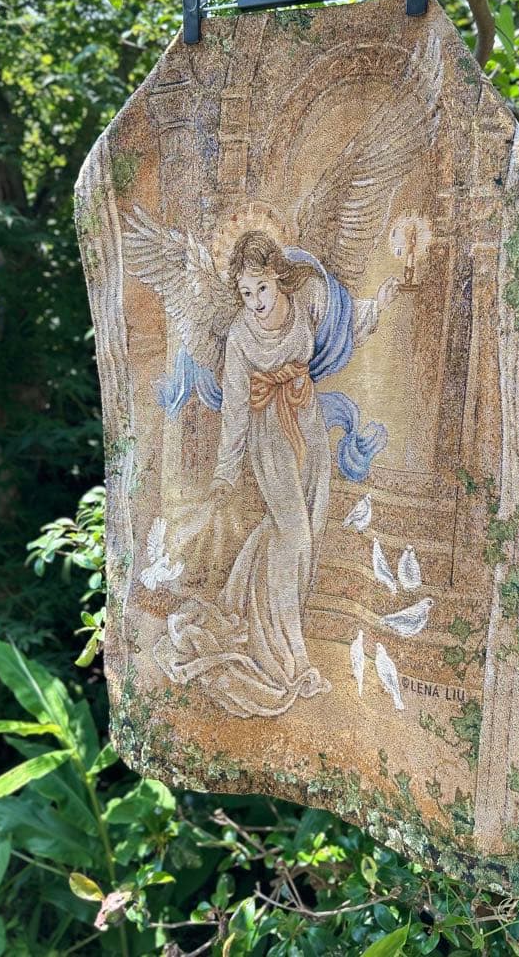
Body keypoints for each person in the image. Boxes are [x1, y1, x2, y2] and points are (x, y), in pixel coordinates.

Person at [153, 231, 399, 718]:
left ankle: (263, 618)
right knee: (294, 534)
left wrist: (379, 303)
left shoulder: (305, 300)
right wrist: (225, 474)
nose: (255, 302)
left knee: (307, 534)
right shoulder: (240, 338)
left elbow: (343, 326)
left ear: (278, 279)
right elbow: (235, 411)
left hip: (307, 427)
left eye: (261, 289)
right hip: (269, 440)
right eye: (246, 293)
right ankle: (291, 660)